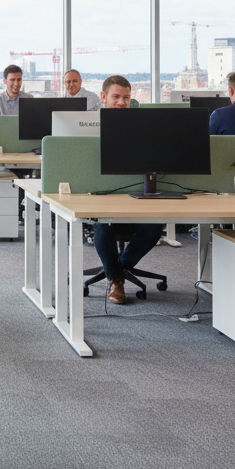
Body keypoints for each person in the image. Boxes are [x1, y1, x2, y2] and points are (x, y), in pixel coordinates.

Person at [93, 75, 164, 305]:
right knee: (104, 226)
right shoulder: (88, 127)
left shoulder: (141, 127)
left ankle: (117, 271)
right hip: (103, 199)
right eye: (116, 97)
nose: (121, 102)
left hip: (137, 198)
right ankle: (115, 280)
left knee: (154, 227)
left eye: (126, 97)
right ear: (104, 97)